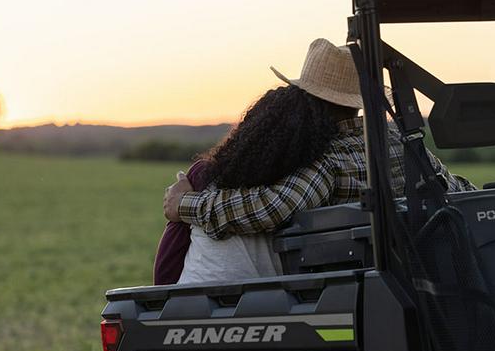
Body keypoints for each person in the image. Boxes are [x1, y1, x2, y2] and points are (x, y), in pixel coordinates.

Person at [163, 38, 475, 245]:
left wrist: (184, 204)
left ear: (309, 99)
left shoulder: (330, 161)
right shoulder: (404, 142)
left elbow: (268, 208)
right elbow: (454, 189)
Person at [155, 78, 360, 284]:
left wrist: (182, 203)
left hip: (195, 301)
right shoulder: (380, 143)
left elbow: (270, 208)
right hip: (270, 299)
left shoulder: (323, 166)